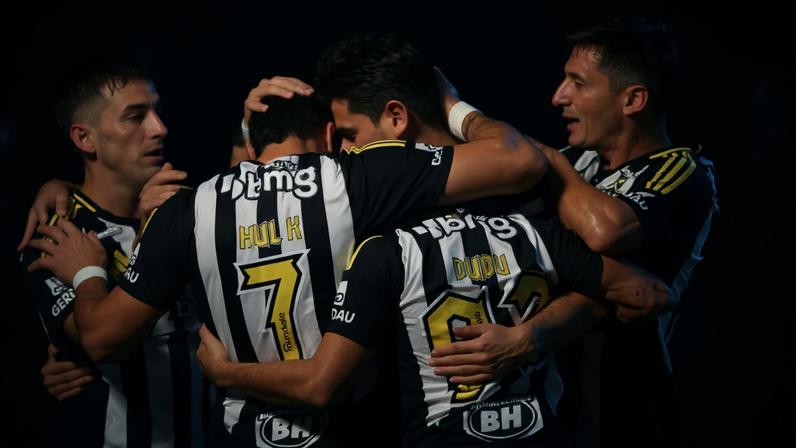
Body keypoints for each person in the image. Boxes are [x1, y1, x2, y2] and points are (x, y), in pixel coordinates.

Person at [28, 33, 549, 447]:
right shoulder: (360, 178)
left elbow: (100, 337)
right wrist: (451, 103)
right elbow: (519, 158)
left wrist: (88, 273)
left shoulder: (187, 210)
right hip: (358, 429)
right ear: (326, 136)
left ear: (251, 140)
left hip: (238, 435)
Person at [430, 18, 719, 448]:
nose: (558, 96)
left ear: (633, 99)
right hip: (551, 411)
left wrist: (531, 151)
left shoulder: (683, 172)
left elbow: (606, 237)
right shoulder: (576, 162)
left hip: (627, 415)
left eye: (577, 83)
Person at [194, 207, 674, 447]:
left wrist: (227, 375)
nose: (345, 153)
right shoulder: (531, 229)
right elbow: (649, 294)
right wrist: (532, 336)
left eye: (352, 135)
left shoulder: (383, 251)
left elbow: (322, 384)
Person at [19, 63, 204, 447]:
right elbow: (100, 340)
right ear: (85, 139)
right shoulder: (60, 233)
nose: (159, 128)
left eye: (156, 112)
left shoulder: (184, 206)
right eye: (136, 116)